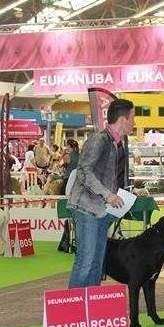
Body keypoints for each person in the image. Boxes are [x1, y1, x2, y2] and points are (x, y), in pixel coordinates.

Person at [67, 99, 135, 288]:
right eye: (133, 118)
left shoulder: (119, 143)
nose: (134, 123)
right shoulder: (100, 139)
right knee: (86, 261)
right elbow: (83, 171)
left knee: (97, 262)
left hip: (103, 211)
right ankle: (74, 307)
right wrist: (107, 194)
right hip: (87, 208)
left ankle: (93, 306)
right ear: (123, 119)